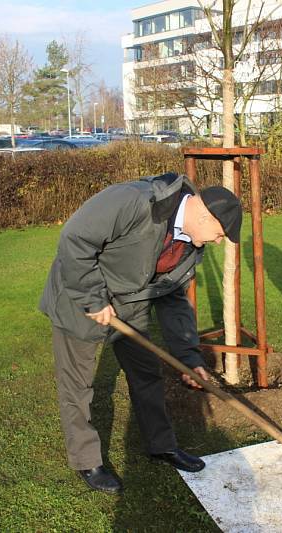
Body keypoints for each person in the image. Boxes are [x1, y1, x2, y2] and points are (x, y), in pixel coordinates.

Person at [39, 172, 242, 494]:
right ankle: (86, 460)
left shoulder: (191, 245)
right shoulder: (134, 200)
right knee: (77, 386)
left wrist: (188, 355)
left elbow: (174, 297)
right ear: (205, 215)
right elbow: (75, 238)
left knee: (147, 374)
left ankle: (162, 445)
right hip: (79, 300)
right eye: (219, 233)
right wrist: (93, 297)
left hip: (131, 307)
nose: (218, 241)